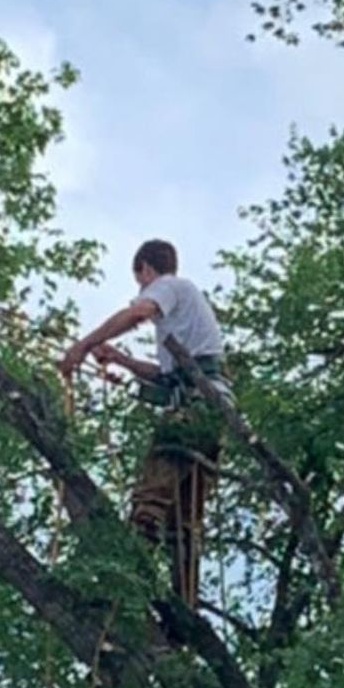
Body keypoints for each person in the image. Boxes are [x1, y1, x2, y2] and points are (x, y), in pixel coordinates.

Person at [58, 239, 231, 603]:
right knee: (183, 523)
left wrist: (83, 346)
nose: (141, 294)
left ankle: (122, 581)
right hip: (214, 416)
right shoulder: (186, 318)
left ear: (145, 270)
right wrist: (120, 360)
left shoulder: (168, 285)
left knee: (150, 500)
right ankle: (183, 612)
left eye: (140, 284)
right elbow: (167, 376)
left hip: (193, 410)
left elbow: (137, 313)